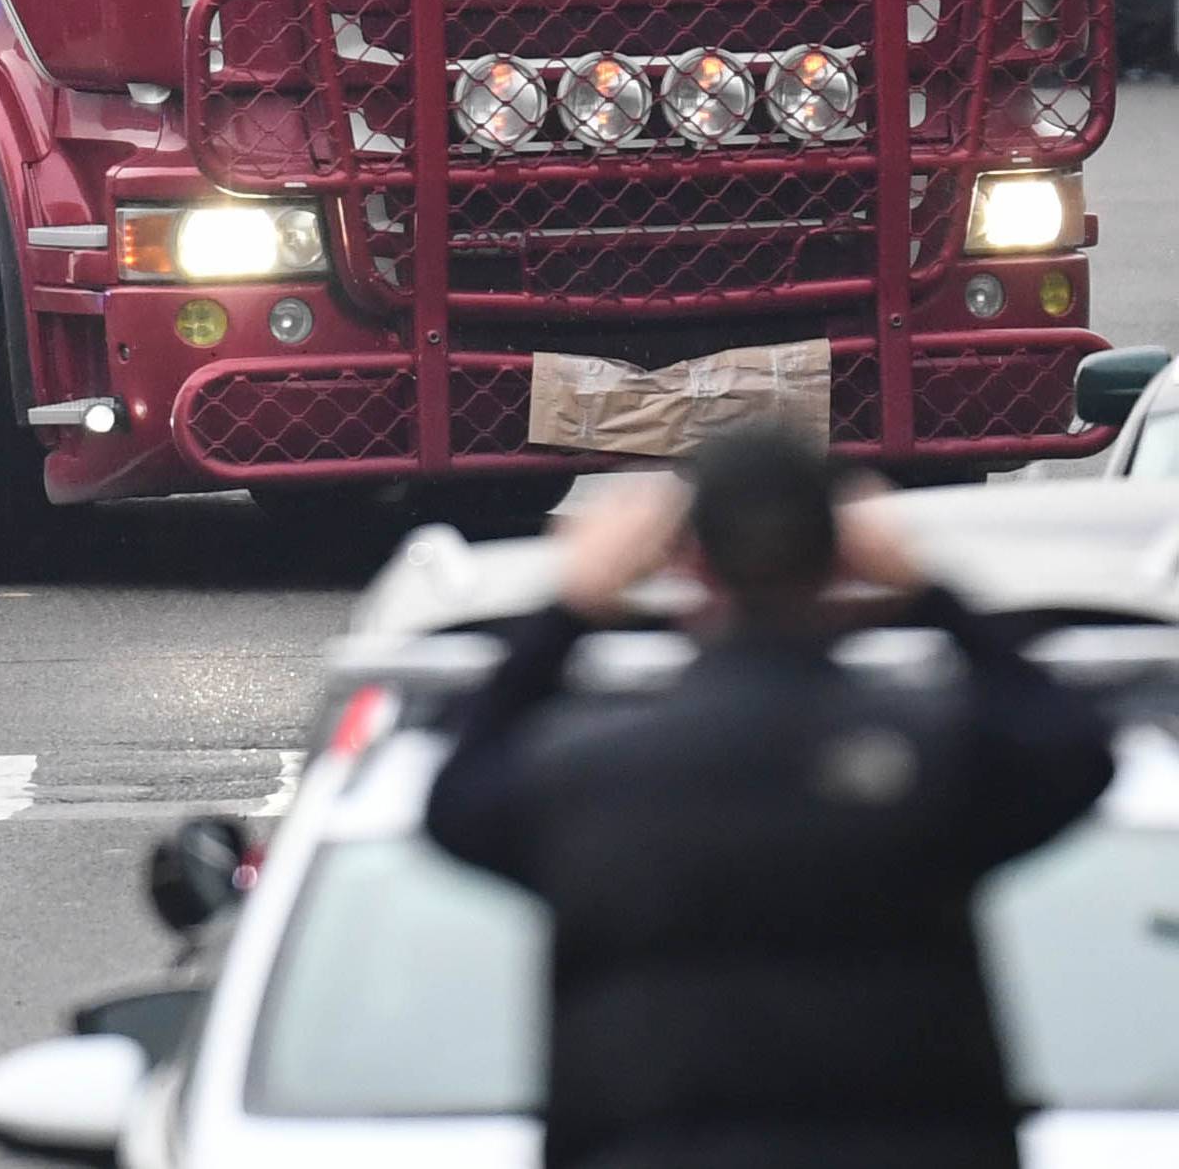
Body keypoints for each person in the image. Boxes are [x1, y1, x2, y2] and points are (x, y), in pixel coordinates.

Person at [426, 426, 1116, 1169]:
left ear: (690, 563)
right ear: (844, 559)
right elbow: (1076, 751)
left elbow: (454, 800)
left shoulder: (591, 772)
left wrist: (569, 609)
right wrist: (931, 594)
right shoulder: (935, 754)